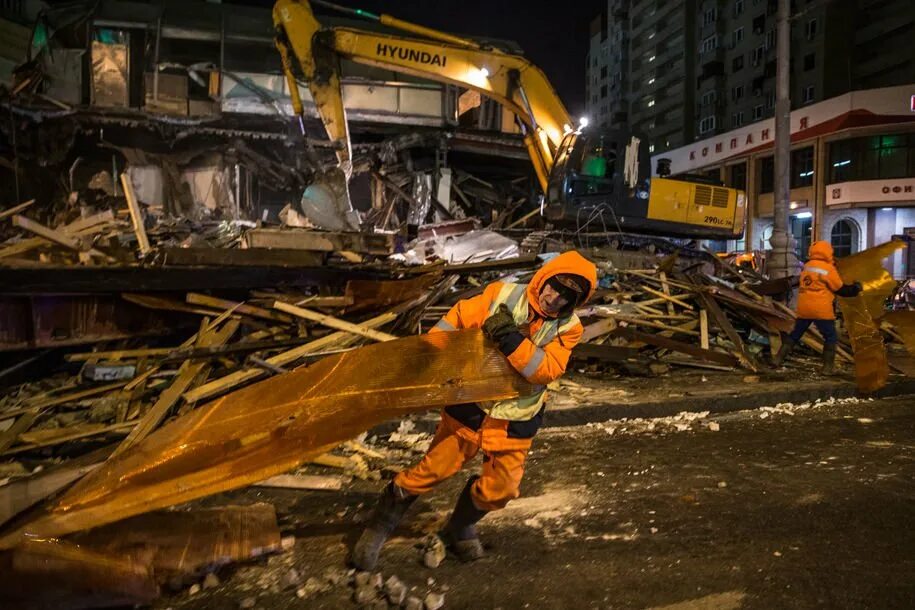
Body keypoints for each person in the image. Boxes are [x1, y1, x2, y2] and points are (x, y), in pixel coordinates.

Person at [351, 251, 597, 570]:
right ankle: (380, 525)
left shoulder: (570, 327)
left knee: (501, 490)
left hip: (515, 419)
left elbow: (545, 370)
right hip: (471, 407)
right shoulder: (502, 295)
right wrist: (429, 355)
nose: (555, 298)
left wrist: (508, 337)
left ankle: (459, 527)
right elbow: (456, 319)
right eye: (555, 287)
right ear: (544, 278)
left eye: (567, 296)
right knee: (431, 471)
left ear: (575, 302)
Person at [772, 240, 861, 374]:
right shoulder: (828, 269)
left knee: (795, 334)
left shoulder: (807, 266)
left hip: (804, 308)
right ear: (828, 252)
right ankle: (827, 367)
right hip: (821, 309)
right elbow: (841, 289)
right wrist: (856, 288)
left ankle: (778, 359)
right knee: (830, 337)